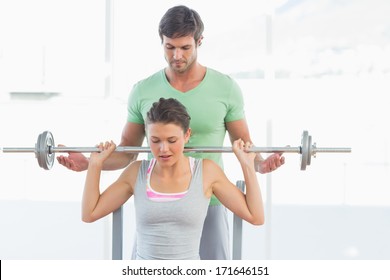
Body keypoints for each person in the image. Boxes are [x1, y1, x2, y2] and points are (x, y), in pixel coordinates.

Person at [57, 5, 284, 259]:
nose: (177, 55)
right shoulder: (142, 91)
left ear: (199, 41)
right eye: (170, 47)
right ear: (161, 43)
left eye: (185, 47)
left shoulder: (226, 88)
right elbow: (128, 151)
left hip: (210, 199)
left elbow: (244, 144)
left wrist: (261, 166)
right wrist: (89, 163)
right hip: (157, 203)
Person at [82, 98, 264, 260]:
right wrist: (95, 165)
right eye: (155, 140)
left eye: (171, 140)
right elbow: (90, 213)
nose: (163, 149)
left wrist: (247, 165)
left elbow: (256, 216)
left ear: (186, 135)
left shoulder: (207, 172)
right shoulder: (136, 172)